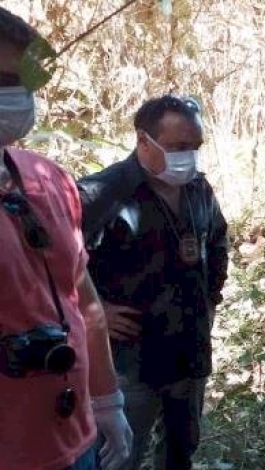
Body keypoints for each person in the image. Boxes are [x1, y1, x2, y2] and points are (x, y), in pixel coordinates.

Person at [0, 7, 132, 470]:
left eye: (25, 81)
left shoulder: (47, 179)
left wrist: (107, 400)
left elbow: (82, 298)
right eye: (4, 81)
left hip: (74, 440)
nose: (18, 96)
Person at [76, 95, 229, 470]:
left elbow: (217, 243)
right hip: (130, 360)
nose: (187, 157)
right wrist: (90, 310)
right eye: (177, 147)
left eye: (195, 147)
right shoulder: (102, 194)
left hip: (189, 351)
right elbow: (52, 260)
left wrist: (210, 300)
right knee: (118, 457)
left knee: (181, 452)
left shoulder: (197, 189)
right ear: (143, 140)